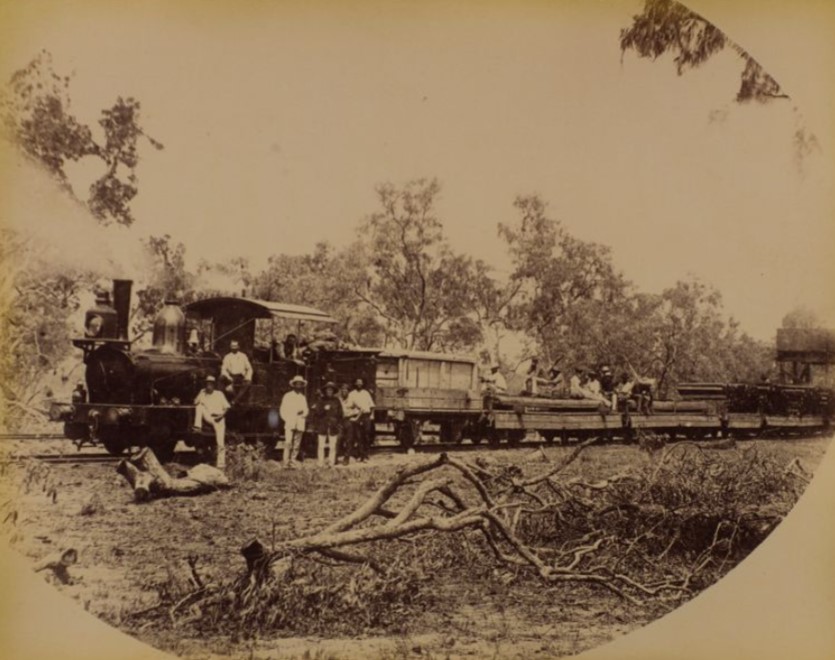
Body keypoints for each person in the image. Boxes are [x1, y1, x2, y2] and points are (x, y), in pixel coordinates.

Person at [192, 375, 230, 469]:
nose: (209, 386)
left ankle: (221, 464)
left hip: (219, 418)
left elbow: (227, 408)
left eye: (211, 384)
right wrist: (201, 393)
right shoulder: (203, 393)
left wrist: (221, 416)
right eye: (207, 384)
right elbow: (195, 402)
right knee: (199, 407)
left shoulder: (219, 394)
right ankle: (197, 427)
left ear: (214, 385)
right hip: (209, 417)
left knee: (220, 442)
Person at [310, 382, 342, 467]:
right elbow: (317, 413)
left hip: (333, 425)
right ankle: (320, 462)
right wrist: (324, 409)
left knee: (332, 445)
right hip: (322, 425)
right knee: (321, 445)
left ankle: (331, 462)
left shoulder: (336, 400)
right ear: (325, 391)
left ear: (333, 391)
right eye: (328, 390)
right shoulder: (321, 400)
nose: (329, 391)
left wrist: (337, 423)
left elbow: (340, 413)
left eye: (331, 390)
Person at [280, 375, 309, 467]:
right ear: (294, 385)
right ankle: (285, 462)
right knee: (288, 442)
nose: (298, 386)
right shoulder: (287, 396)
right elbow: (282, 409)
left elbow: (306, 409)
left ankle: (293, 461)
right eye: (297, 384)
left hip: (300, 421)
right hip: (290, 422)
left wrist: (303, 414)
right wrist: (287, 418)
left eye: (300, 384)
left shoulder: (302, 397)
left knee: (297, 444)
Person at [346, 378, 375, 462]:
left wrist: (371, 415)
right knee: (358, 436)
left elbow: (372, 406)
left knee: (366, 436)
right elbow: (349, 406)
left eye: (361, 383)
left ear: (363, 384)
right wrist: (355, 408)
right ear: (355, 383)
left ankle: (365, 455)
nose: (359, 384)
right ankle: (359, 454)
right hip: (357, 416)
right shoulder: (352, 394)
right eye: (357, 382)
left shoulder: (366, 393)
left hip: (366, 416)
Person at [338, 383, 357, 464]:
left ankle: (347, 458)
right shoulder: (338, 399)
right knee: (338, 438)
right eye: (343, 390)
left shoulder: (352, 399)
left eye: (346, 390)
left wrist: (355, 417)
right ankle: (336, 456)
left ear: (348, 391)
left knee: (349, 440)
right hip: (340, 421)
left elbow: (360, 409)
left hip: (349, 420)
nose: (344, 391)